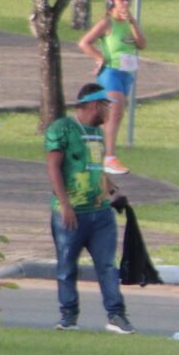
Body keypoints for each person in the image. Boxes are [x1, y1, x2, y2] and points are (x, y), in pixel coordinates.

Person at [46, 81, 132, 334]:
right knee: (66, 266)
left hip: (101, 213)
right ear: (94, 105)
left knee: (106, 265)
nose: (109, 112)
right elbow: (53, 167)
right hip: (71, 213)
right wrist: (65, 204)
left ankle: (116, 315)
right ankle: (68, 316)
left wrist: (113, 190)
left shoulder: (97, 133)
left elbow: (95, 169)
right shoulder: (62, 129)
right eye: (106, 106)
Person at [75, 0, 144, 175]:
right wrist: (99, 57)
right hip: (111, 72)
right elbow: (84, 42)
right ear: (112, 2)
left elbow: (142, 44)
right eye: (122, 0)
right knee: (113, 114)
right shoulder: (107, 22)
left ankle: (99, 154)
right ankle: (109, 158)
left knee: (116, 115)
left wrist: (133, 23)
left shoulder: (128, 22)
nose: (126, 3)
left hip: (126, 73)